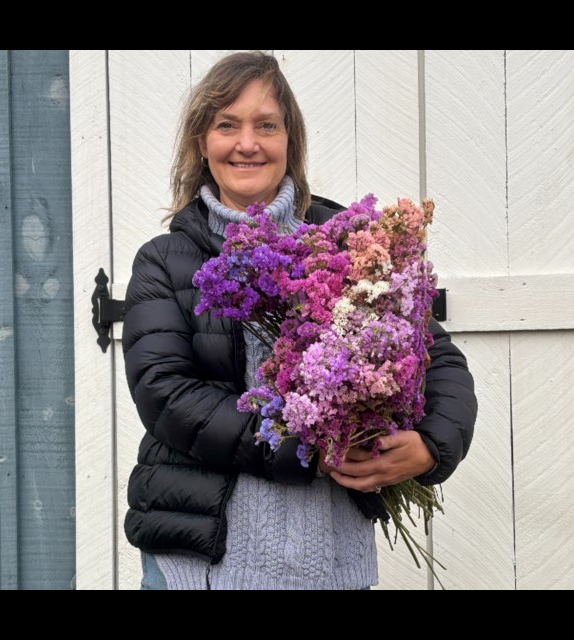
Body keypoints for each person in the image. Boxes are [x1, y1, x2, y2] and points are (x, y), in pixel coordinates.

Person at [122, 51, 477, 590]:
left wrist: (431, 447)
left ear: (290, 140)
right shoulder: (165, 260)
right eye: (227, 125)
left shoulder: (349, 241)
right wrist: (314, 442)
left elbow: (436, 357)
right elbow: (166, 394)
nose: (248, 143)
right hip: (202, 565)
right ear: (202, 142)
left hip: (331, 561)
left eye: (266, 125)